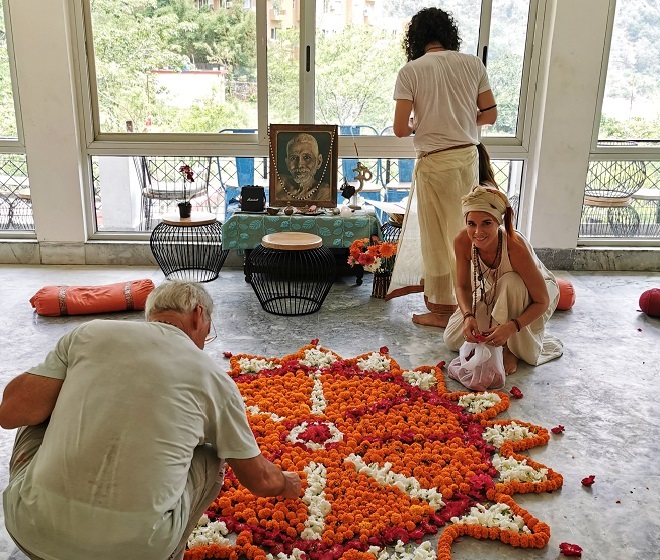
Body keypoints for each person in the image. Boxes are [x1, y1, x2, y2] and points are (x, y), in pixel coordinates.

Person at [0, 281, 301, 560]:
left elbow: (11, 412)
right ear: (198, 315)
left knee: (38, 406)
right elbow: (259, 480)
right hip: (138, 550)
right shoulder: (213, 378)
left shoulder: (88, 334)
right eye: (208, 330)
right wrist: (285, 484)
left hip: (32, 532)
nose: (205, 341)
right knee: (213, 454)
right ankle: (172, 551)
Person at [386, 7, 498, 328]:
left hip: (435, 164)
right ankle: (477, 305)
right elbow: (489, 115)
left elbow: (399, 129)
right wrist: (461, 124)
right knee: (468, 234)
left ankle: (443, 311)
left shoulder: (411, 71)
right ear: (449, 34)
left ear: (416, 38)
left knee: (438, 238)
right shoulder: (472, 63)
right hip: (467, 159)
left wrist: (418, 124)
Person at [443, 186, 563, 374]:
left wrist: (511, 327)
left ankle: (510, 349)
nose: (477, 232)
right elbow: (462, 286)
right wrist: (468, 316)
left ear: (498, 223)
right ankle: (499, 328)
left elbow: (542, 301)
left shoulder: (514, 246)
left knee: (511, 282)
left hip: (535, 293)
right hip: (494, 288)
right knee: (452, 340)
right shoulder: (462, 241)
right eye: (471, 223)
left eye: (486, 223)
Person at [275, 132, 331, 204]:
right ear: (286, 162)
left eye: (306, 157)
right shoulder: (279, 184)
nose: (299, 165)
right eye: (293, 158)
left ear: (319, 162)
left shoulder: (324, 192)